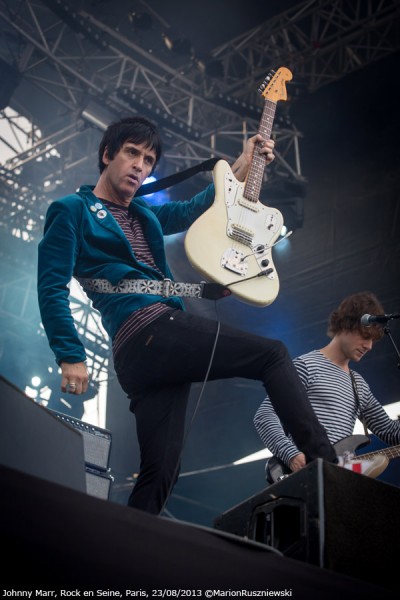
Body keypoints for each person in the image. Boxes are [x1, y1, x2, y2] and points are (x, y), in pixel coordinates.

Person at [37, 115, 338, 515]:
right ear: (107, 155)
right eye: (131, 153)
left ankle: (122, 555)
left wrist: (243, 162)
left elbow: (199, 208)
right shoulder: (73, 210)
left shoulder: (144, 214)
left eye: (147, 159)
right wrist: (70, 353)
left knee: (161, 471)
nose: (140, 166)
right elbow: (51, 285)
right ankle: (329, 469)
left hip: (147, 354)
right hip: (146, 330)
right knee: (272, 355)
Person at [254, 291, 400, 482]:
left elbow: (391, 433)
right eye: (365, 336)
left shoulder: (359, 385)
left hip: (338, 481)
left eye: (373, 340)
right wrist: (291, 455)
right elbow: (265, 415)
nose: (369, 346)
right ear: (345, 325)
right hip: (303, 477)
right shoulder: (306, 366)